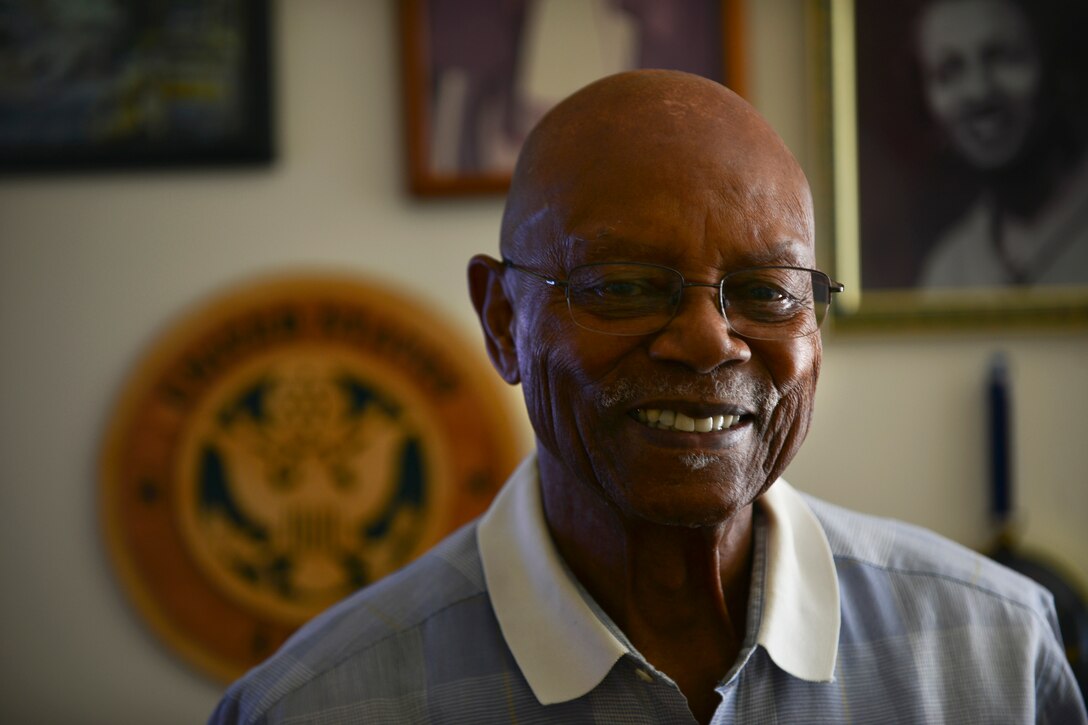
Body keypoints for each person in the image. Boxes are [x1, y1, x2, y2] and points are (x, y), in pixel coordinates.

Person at [209, 70, 1086, 723]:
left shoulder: (993, 653)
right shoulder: (317, 705)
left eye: (769, 290)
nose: (709, 340)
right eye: (623, 284)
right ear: (503, 321)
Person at [913, 0, 1088, 287]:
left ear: (1056, 65)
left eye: (1004, 58)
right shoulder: (948, 271)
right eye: (950, 70)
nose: (979, 91)